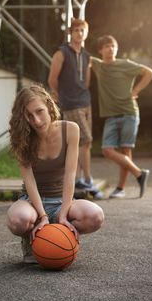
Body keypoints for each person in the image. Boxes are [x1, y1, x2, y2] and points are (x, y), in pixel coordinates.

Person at [7, 84, 104, 263]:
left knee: (95, 216)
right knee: (17, 221)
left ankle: (61, 235)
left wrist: (64, 215)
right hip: (32, 202)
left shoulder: (71, 129)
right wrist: (43, 215)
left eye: (39, 111)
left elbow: (70, 174)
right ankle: (31, 238)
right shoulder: (22, 137)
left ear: (49, 106)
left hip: (61, 200)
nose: (36, 120)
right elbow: (29, 180)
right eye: (29, 115)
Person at [91, 35, 152, 198]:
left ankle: (120, 188)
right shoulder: (98, 65)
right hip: (111, 116)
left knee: (125, 151)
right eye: (106, 46)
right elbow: (83, 57)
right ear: (100, 50)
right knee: (107, 150)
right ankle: (139, 173)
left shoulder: (125, 64)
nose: (110, 49)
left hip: (129, 113)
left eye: (113, 46)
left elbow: (149, 72)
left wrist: (136, 91)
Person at [48, 18, 104, 200]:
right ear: (71, 33)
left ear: (86, 33)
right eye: (77, 30)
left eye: (83, 30)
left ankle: (79, 178)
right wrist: (63, 97)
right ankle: (87, 179)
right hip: (71, 103)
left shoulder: (87, 56)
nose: (80, 33)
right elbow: (52, 80)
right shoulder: (61, 53)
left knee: (82, 142)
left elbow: (86, 82)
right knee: (85, 141)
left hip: (85, 101)